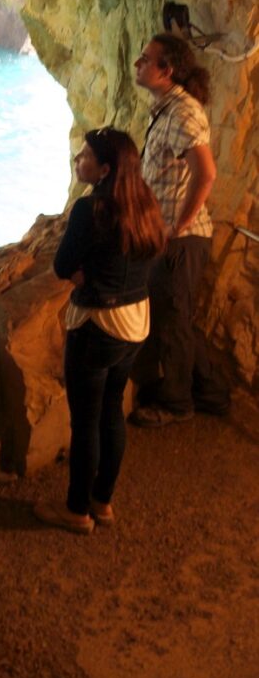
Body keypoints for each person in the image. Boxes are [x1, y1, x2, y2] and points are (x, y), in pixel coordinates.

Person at [34, 128, 166, 535]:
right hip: (135, 319)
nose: (79, 157)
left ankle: (76, 511)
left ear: (105, 168)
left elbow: (61, 267)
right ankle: (102, 501)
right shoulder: (145, 204)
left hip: (97, 324)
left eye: (87, 155)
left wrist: (84, 276)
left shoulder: (91, 209)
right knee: (112, 412)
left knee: (86, 419)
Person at [129, 34, 229, 427]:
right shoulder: (167, 109)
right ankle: (212, 392)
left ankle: (176, 403)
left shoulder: (183, 113)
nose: (138, 64)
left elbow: (206, 173)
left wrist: (177, 226)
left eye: (145, 58)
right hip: (172, 235)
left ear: (165, 70)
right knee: (178, 317)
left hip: (182, 239)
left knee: (173, 322)